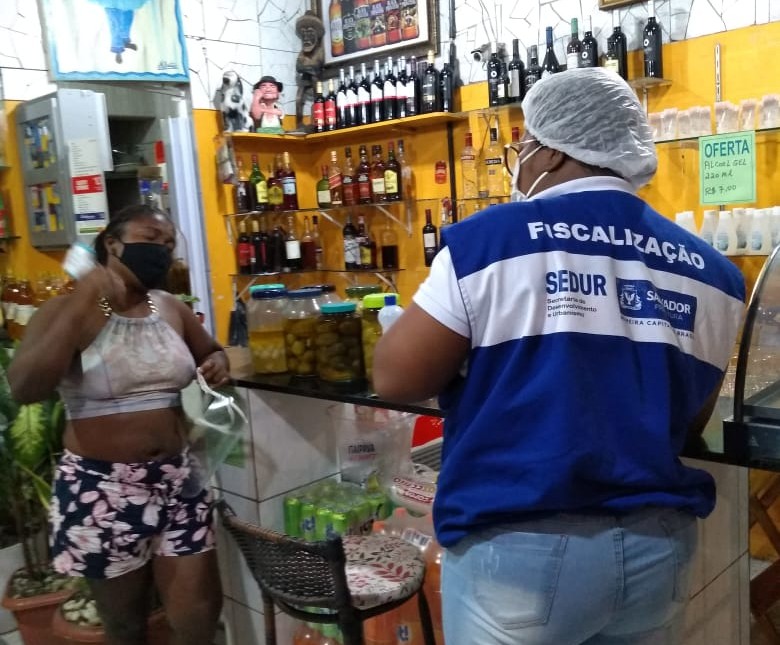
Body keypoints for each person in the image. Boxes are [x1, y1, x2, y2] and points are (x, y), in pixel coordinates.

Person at [373, 67, 746, 645]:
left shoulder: (490, 241)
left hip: (522, 551)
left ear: (550, 152)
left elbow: (396, 377)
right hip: (658, 550)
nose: (519, 160)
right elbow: (690, 415)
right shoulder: (715, 273)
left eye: (524, 144)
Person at [8, 204, 230, 645]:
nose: (162, 251)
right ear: (112, 244)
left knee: (199, 618)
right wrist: (83, 300)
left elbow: (211, 350)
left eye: (169, 244)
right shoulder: (62, 311)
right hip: (101, 490)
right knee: (125, 626)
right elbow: (26, 387)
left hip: (178, 482)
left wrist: (218, 362)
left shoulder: (169, 307)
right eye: (150, 239)